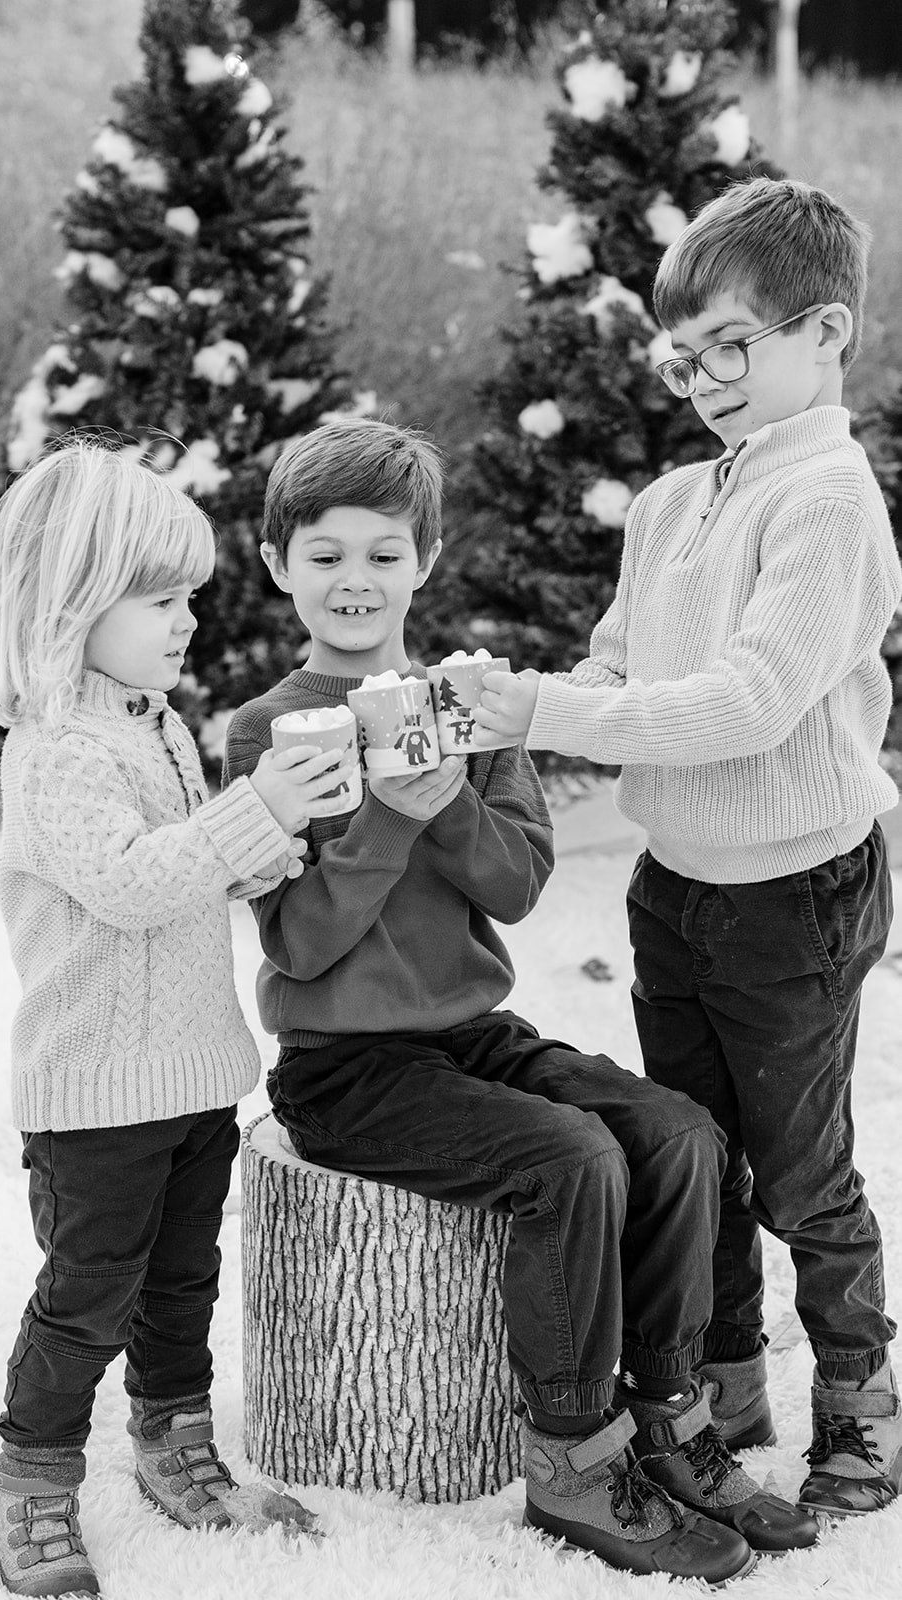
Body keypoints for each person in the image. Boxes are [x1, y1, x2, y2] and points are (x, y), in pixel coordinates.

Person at [223, 415, 817, 1582]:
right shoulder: (269, 732)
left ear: (425, 561)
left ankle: (667, 1413)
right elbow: (300, 945)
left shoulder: (470, 708)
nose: (356, 580)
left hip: (474, 1034)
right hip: (344, 1067)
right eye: (326, 553)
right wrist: (384, 809)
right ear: (277, 562)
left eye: (384, 553)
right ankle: (569, 1455)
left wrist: (443, 793)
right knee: (567, 1160)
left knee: (676, 1133)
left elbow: (518, 882)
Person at [474, 176, 902, 1519]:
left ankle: (857, 1395)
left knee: (795, 1165)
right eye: (679, 353)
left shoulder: (825, 501)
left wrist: (549, 710)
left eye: (729, 344)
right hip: (675, 888)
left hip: (791, 889)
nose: (699, 376)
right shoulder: (667, 504)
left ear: (822, 332)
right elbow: (620, 666)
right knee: (694, 1151)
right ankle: (724, 1384)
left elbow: (745, 701)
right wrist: (501, 708)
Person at [0, 439, 346, 1597]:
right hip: (96, 1091)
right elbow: (129, 881)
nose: (185, 621)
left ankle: (173, 1436)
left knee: (182, 1279)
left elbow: (192, 873)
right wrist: (256, 810)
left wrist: (276, 834)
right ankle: (31, 1481)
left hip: (190, 1075)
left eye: (190, 597)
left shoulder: (153, 721)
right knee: (87, 1298)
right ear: (74, 597)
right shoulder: (58, 749)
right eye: (160, 597)